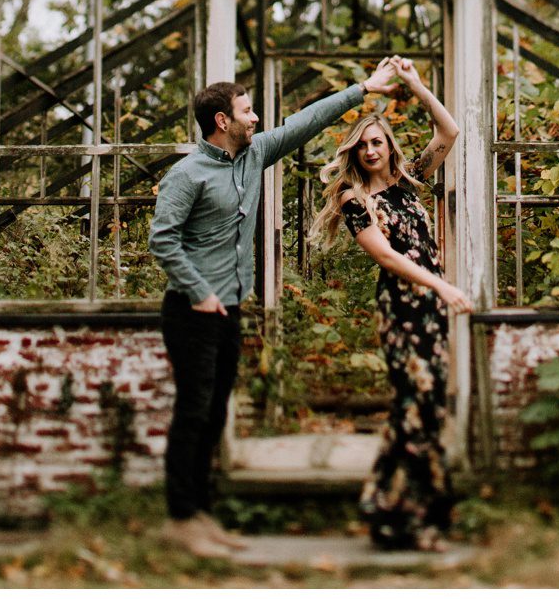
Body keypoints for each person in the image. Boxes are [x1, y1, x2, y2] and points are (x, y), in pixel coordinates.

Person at [149, 56, 403, 559]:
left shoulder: (254, 154)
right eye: (247, 111)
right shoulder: (187, 174)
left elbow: (305, 122)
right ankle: (181, 518)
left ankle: (200, 514)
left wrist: (363, 90)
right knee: (193, 413)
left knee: (215, 412)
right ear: (223, 121)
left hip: (227, 311)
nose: (256, 118)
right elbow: (163, 241)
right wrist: (199, 291)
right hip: (192, 311)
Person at [309, 56, 468, 552]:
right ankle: (422, 520)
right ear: (354, 152)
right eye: (364, 144)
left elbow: (451, 131)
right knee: (417, 405)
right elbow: (386, 256)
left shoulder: (410, 182)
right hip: (402, 308)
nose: (372, 149)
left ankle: (383, 505)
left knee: (419, 408)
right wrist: (440, 285)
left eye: (378, 141)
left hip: (431, 311)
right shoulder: (356, 201)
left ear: (388, 146)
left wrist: (417, 87)